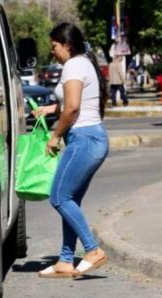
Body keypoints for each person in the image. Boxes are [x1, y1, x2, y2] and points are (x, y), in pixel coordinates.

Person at [31, 22, 110, 278]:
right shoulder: (83, 63)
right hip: (92, 138)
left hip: (83, 139)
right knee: (70, 199)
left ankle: (92, 249)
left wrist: (55, 136)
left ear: (67, 45)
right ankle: (65, 260)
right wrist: (51, 109)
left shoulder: (73, 66)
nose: (52, 51)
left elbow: (73, 108)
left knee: (59, 197)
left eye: (54, 46)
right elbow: (75, 103)